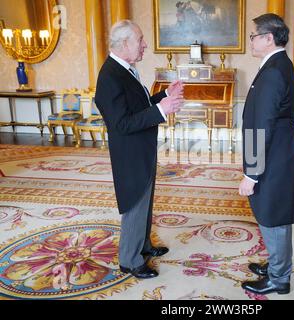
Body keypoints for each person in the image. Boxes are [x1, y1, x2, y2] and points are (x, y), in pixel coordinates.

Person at [95, 20, 184, 279]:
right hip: (130, 153)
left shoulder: (126, 69)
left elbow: (139, 106)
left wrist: (164, 95)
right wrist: (161, 110)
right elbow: (121, 123)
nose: (145, 45)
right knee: (135, 202)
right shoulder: (110, 76)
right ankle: (130, 260)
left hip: (141, 148)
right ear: (125, 44)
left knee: (145, 200)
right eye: (141, 40)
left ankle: (143, 246)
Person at [239, 13, 294, 295]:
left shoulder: (275, 70)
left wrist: (251, 173)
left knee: (272, 215)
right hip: (276, 151)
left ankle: (279, 277)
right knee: (273, 213)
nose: (251, 41)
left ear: (268, 38)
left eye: (254, 36)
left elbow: (261, 125)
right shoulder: (277, 64)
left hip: (271, 157)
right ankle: (277, 265)